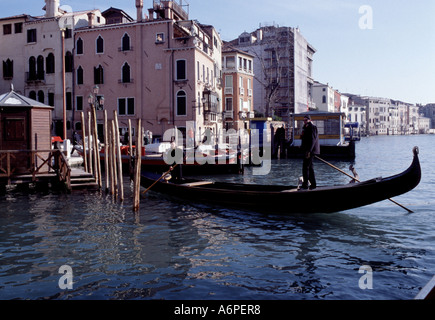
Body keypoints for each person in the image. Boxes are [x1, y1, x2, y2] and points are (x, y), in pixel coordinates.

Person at [300, 115, 320, 190]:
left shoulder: (312, 127)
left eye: (306, 120)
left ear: (309, 120)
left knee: (305, 167)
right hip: (307, 150)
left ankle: (305, 185)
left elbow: (313, 140)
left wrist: (309, 151)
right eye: (304, 120)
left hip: (310, 151)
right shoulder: (305, 127)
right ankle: (313, 184)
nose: (304, 121)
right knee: (310, 167)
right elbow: (304, 139)